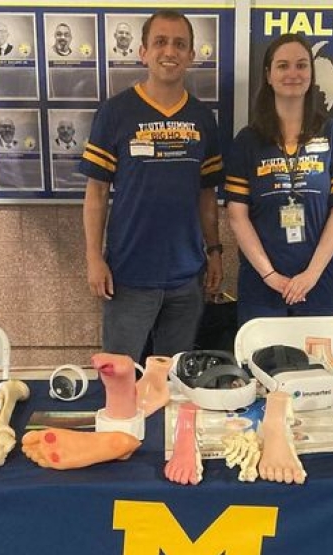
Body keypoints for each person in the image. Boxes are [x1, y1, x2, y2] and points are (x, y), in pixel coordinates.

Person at [79, 10, 224, 360]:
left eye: (179, 44)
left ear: (191, 55)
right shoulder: (115, 113)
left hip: (187, 277)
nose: (169, 51)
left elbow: (207, 197)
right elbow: (96, 193)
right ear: (143, 52)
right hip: (128, 275)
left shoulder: (203, 118)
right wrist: (93, 257)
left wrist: (215, 252)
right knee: (121, 378)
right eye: (160, 42)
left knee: (173, 381)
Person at [223, 33, 333, 324]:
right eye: (283, 65)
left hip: (320, 280)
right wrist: (270, 275)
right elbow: (237, 216)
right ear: (269, 75)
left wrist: (310, 275)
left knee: (316, 366)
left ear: (311, 74)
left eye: (301, 65)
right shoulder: (247, 141)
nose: (292, 73)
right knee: (261, 364)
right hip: (262, 282)